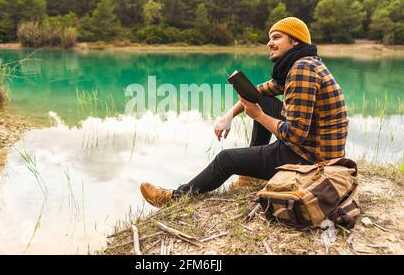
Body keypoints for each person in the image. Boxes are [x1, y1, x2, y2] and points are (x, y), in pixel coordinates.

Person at [140, 17, 349, 208]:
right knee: (265, 100)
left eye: (276, 37)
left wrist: (258, 116)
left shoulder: (301, 70)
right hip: (313, 148)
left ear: (295, 42)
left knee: (225, 159)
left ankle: (175, 198)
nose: (270, 43)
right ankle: (251, 176)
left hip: (311, 160)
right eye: (270, 38)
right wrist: (229, 115)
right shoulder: (304, 64)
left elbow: (295, 134)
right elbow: (256, 93)